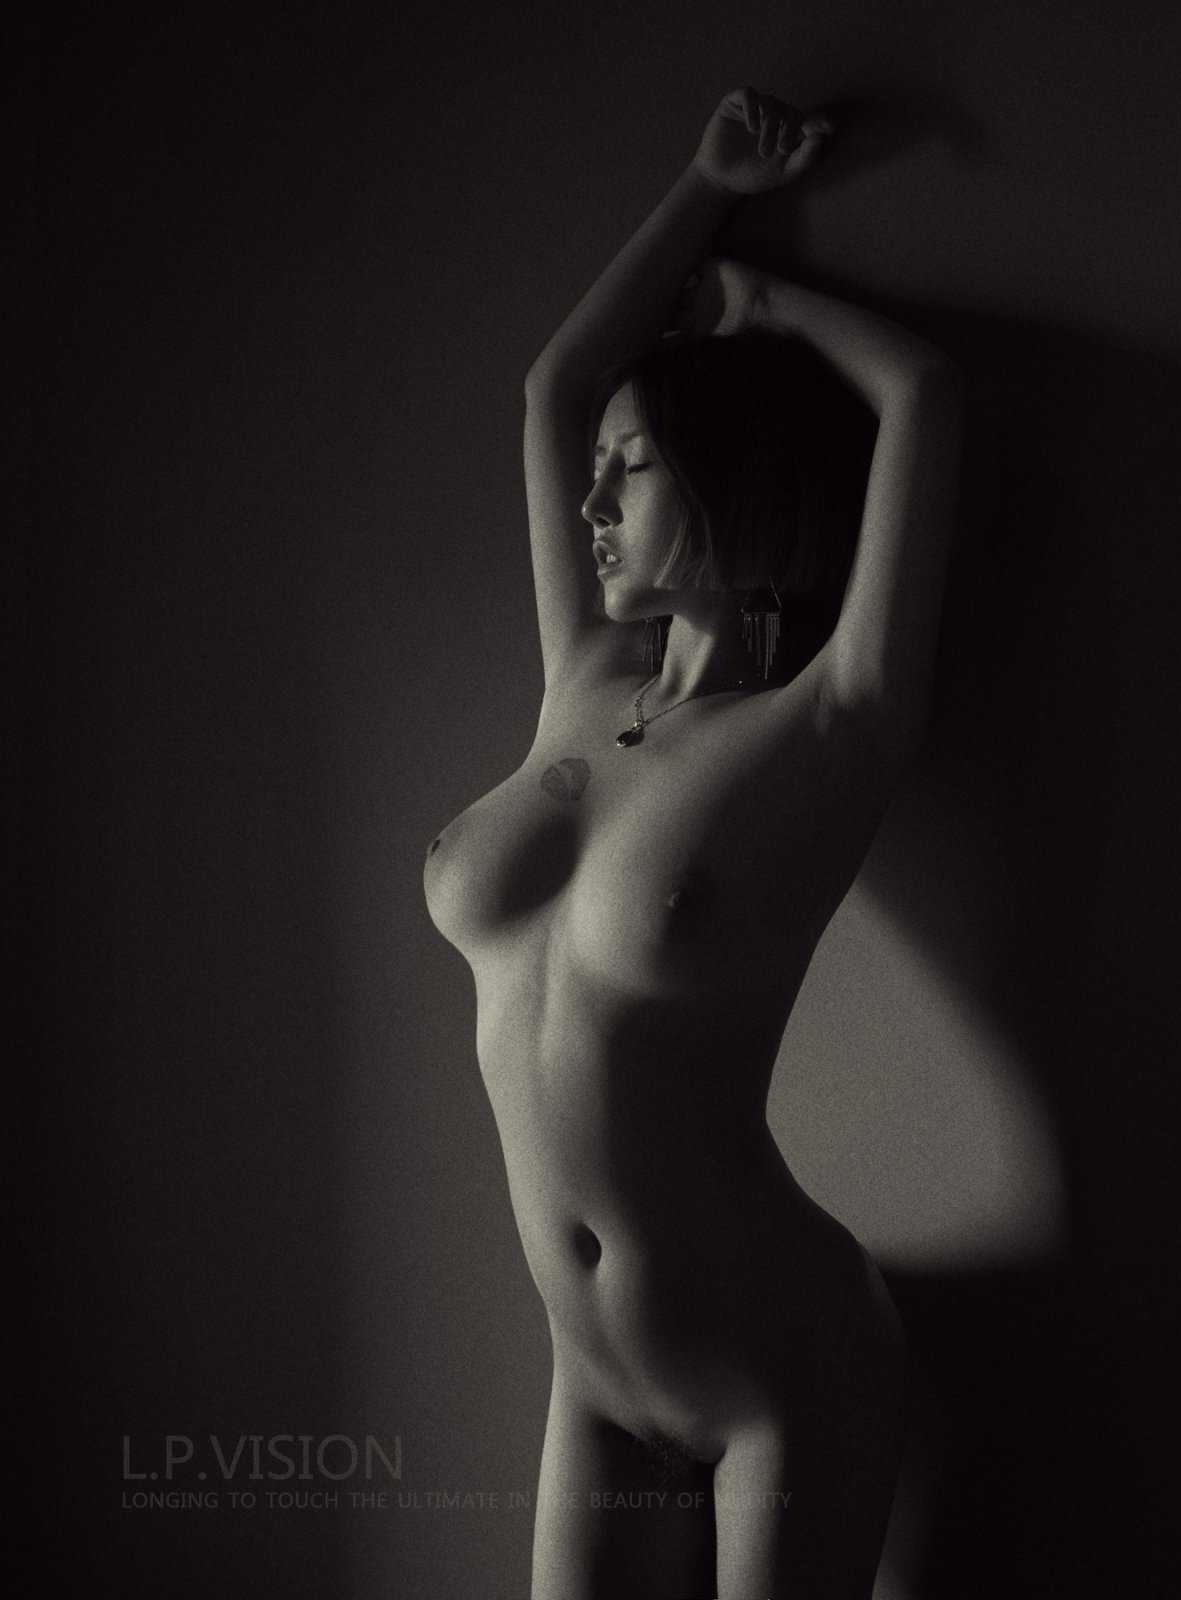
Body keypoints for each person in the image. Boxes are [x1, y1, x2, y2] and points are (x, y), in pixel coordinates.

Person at [422, 85, 962, 1599]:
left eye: (636, 467)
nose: (593, 497)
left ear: (726, 476)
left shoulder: (833, 722)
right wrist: (701, 187)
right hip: (591, 1375)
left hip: (784, 1362)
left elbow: (926, 395)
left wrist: (766, 303)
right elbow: (552, 392)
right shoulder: (583, 689)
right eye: (600, 472)